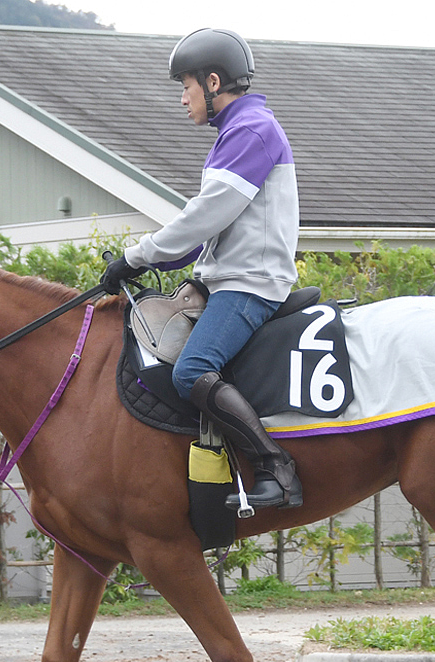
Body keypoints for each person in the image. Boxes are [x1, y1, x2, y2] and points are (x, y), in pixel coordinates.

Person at [102, 27, 302, 511]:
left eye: (186, 86)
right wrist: (145, 262)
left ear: (213, 83)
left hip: (249, 285)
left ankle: (278, 469)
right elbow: (202, 234)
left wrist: (137, 255)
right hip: (227, 278)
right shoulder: (235, 131)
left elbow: (204, 216)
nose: (183, 97)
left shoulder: (251, 130)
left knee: (191, 371)